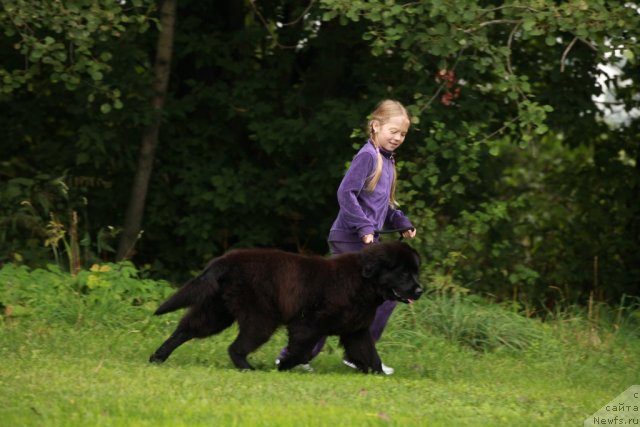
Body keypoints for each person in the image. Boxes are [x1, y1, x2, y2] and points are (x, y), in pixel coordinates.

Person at [276, 99, 417, 374]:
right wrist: (364, 227)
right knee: (333, 302)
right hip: (349, 239)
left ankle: (358, 356)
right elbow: (345, 193)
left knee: (381, 299)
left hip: (366, 243)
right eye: (393, 131)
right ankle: (293, 356)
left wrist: (402, 222)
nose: (398, 138)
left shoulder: (388, 162)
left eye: (403, 134)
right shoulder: (368, 157)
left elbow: (383, 207)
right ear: (376, 126)